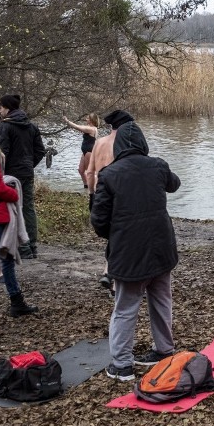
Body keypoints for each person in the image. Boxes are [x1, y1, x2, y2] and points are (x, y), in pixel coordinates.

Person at [91, 117, 181, 381]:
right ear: (143, 142)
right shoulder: (158, 166)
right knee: (161, 300)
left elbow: (98, 220)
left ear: (118, 146)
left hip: (130, 252)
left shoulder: (109, 174)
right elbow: (174, 184)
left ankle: (121, 365)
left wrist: (115, 235)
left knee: (125, 307)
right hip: (161, 248)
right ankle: (164, 350)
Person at [87, 111, 135, 293]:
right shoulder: (125, 144)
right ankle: (114, 278)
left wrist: (92, 194)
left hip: (100, 193)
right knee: (121, 235)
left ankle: (108, 271)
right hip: (119, 195)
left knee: (113, 233)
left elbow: (89, 173)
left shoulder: (99, 143)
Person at [0, 129, 38, 317]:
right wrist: (13, 193)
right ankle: (16, 301)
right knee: (7, 257)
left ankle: (17, 301)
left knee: (6, 258)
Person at [0, 94, 45, 259]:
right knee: (28, 208)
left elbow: (3, 153)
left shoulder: (5, 126)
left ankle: (22, 249)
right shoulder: (31, 126)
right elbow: (40, 151)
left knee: (13, 209)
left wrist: (1, 174)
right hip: (26, 172)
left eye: (1, 107)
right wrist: (28, 165)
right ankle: (31, 247)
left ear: (8, 108)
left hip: (11, 174)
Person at [62, 113, 100, 188]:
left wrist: (67, 121)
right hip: (85, 151)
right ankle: (86, 186)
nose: (86, 119)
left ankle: (96, 187)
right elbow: (83, 129)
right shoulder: (90, 128)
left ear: (92, 120)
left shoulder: (92, 129)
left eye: (88, 118)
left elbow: (77, 127)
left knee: (90, 172)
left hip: (90, 151)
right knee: (81, 170)